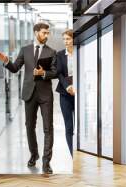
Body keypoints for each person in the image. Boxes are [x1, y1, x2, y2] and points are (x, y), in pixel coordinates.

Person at [0, 23, 57, 174]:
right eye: (44, 33)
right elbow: (16, 68)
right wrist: (6, 61)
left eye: (48, 33)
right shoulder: (25, 50)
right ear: (36, 32)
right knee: (29, 126)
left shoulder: (52, 51)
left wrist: (43, 73)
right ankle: (34, 154)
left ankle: (46, 162)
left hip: (45, 94)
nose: (46, 36)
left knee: (48, 128)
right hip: (29, 93)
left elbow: (55, 72)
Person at [56, 29, 75, 157]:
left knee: (80, 125)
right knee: (69, 126)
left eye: (68, 39)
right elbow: (59, 73)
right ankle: (72, 154)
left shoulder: (80, 52)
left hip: (79, 93)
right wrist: (68, 86)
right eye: (64, 39)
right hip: (65, 93)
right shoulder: (60, 54)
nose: (66, 42)